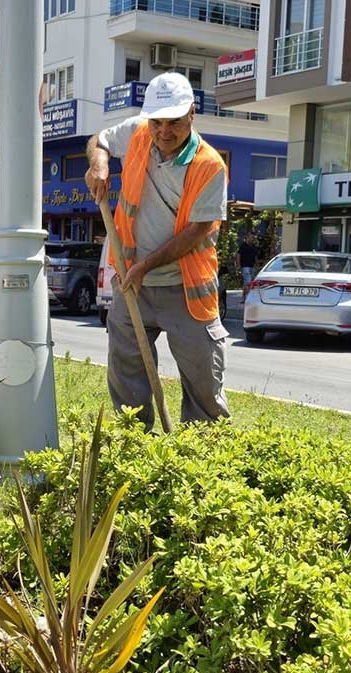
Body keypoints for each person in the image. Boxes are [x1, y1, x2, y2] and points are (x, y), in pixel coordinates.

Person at [85, 72, 231, 427]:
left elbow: (197, 231)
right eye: (158, 122)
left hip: (186, 290)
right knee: (126, 374)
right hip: (133, 282)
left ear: (192, 114)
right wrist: (99, 164)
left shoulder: (210, 166)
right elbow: (98, 140)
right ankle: (135, 448)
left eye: (175, 123)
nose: (164, 131)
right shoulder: (138, 131)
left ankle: (202, 461)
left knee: (204, 388)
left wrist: (146, 265)